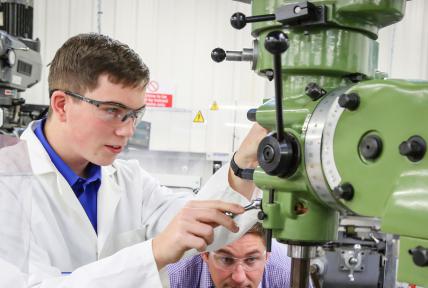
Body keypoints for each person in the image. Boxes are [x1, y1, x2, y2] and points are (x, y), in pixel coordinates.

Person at [0, 33, 268, 287]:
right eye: (113, 111)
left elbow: (204, 229)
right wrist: (155, 251)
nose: (127, 130)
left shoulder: (129, 180)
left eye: (134, 114)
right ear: (61, 105)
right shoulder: (7, 183)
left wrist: (244, 160)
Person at [167, 223, 293, 288]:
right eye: (226, 260)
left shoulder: (289, 275)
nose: (239, 278)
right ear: (205, 253)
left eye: (251, 260)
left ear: (267, 256)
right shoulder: (172, 278)